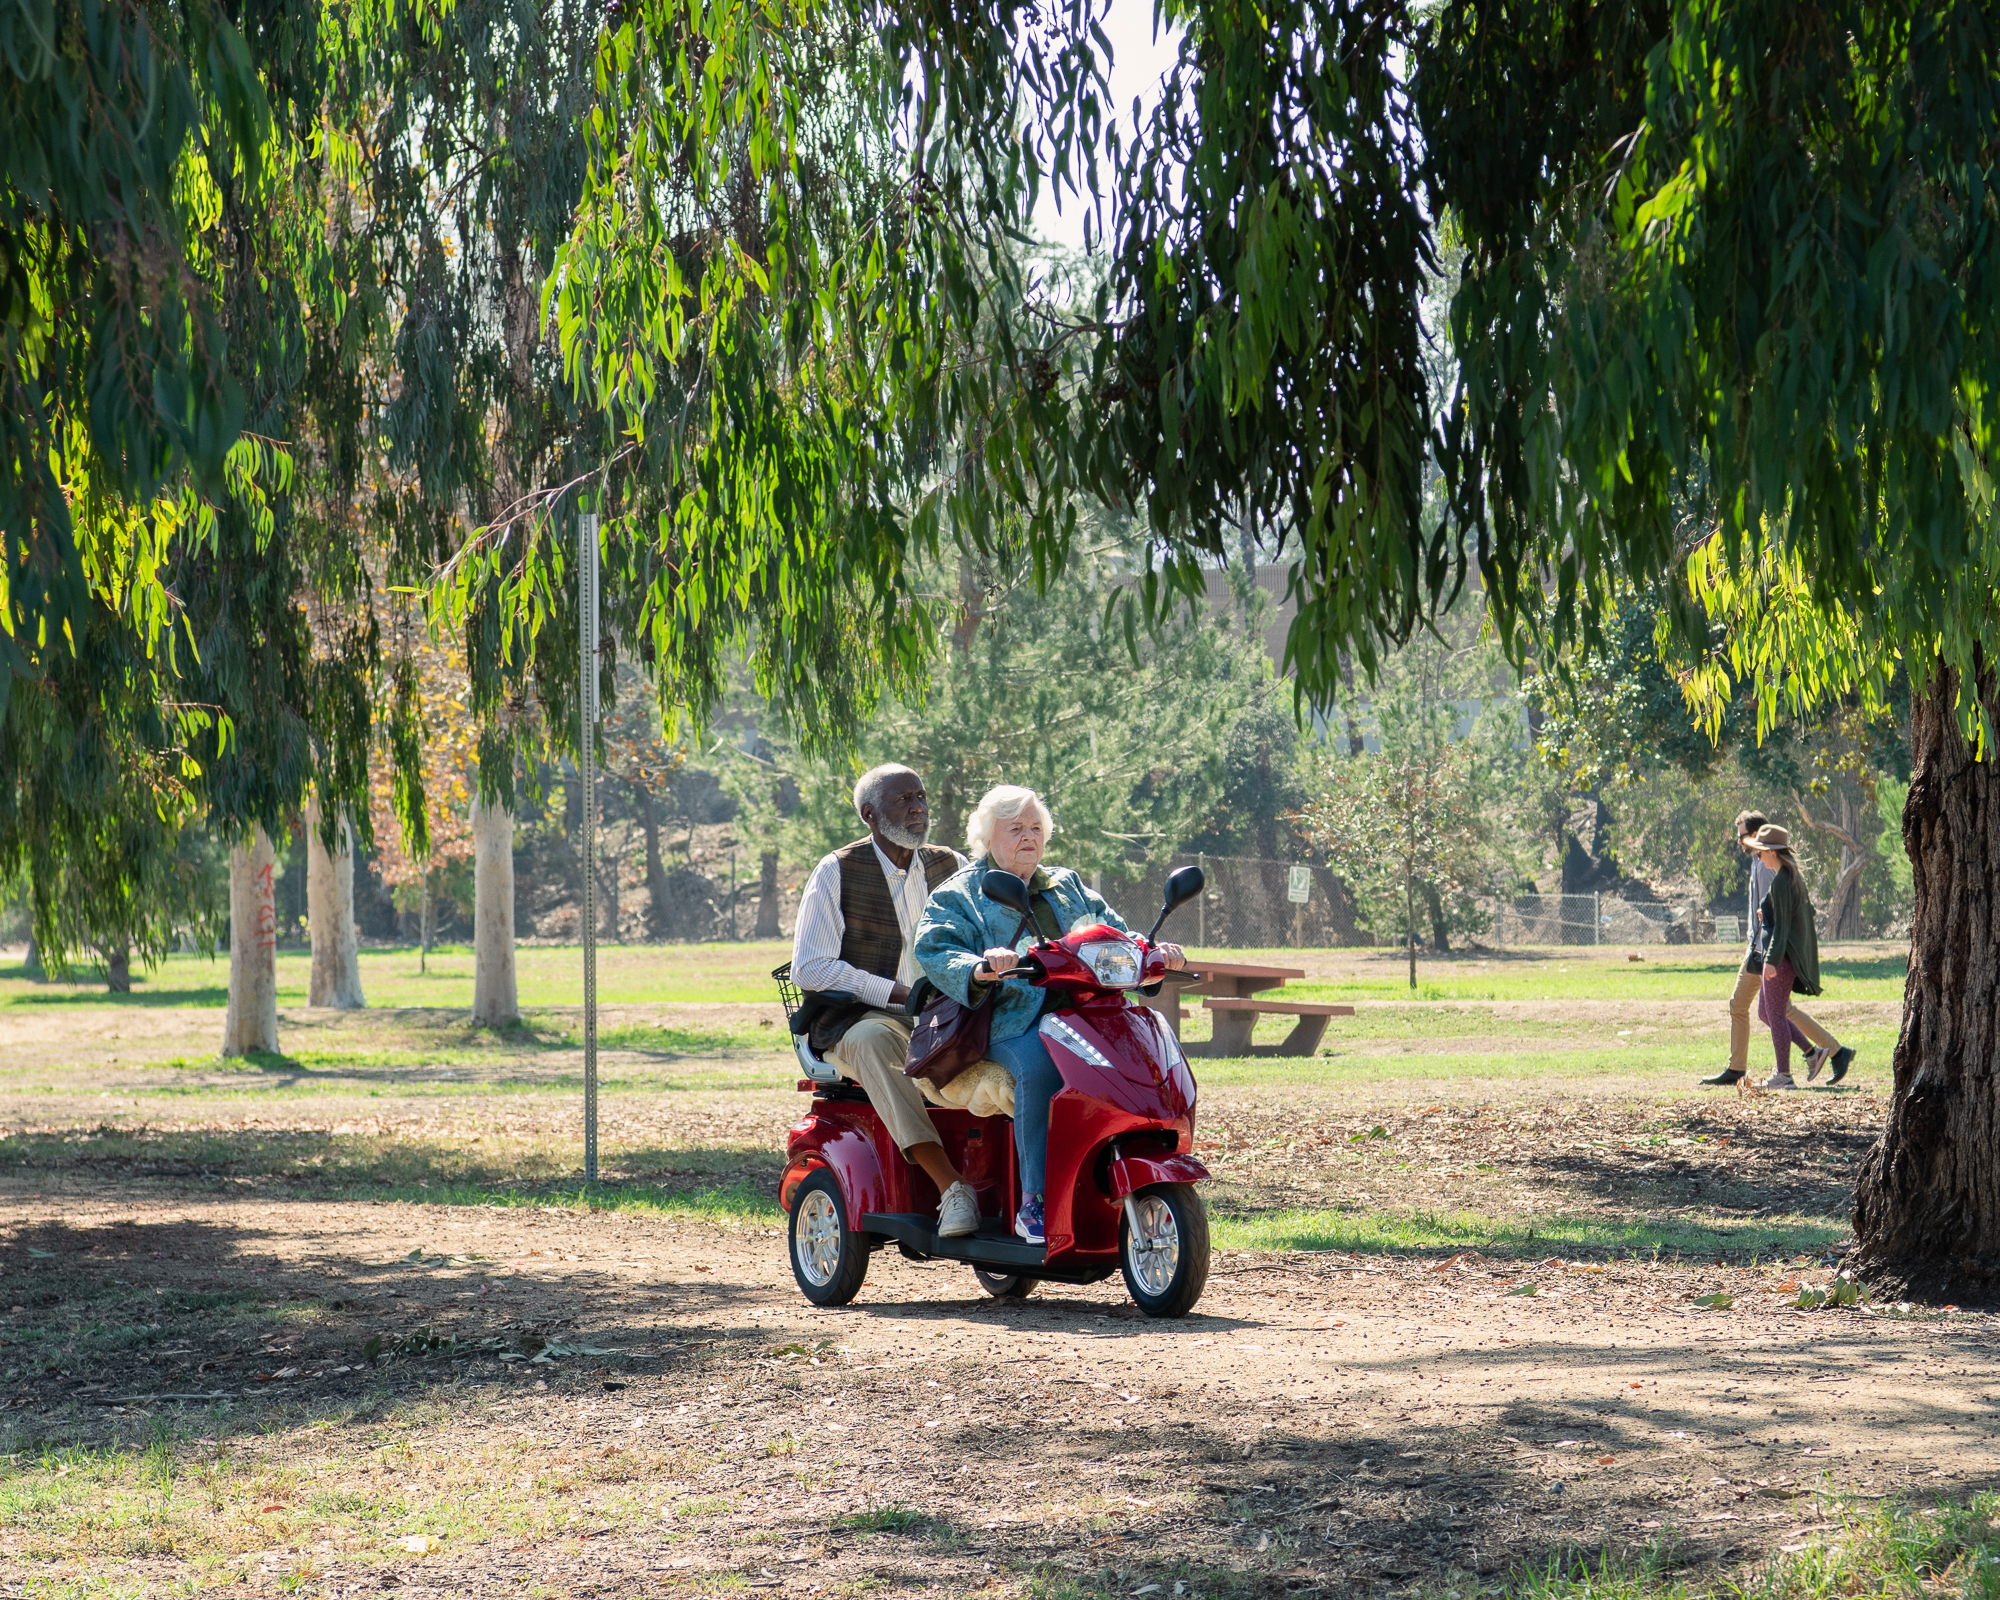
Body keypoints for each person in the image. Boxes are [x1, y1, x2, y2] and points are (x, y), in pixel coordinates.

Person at [913, 784, 1185, 1246]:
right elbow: (935, 948)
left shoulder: (1068, 884)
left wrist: (1153, 952)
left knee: (1147, 1051)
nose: (1028, 836)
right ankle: (1034, 1203)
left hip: (1091, 1015)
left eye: (1035, 827)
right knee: (1041, 1069)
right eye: (1015, 828)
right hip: (1009, 1018)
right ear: (987, 836)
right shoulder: (961, 893)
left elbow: (1114, 932)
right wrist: (981, 966)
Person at [791, 764, 981, 1237]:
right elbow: (809, 968)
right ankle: (952, 1188)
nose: (918, 807)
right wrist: (896, 993)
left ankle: (1026, 1191)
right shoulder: (837, 870)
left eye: (921, 797)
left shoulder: (952, 865)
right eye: (904, 800)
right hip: (860, 1018)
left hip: (945, 1012)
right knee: (876, 1041)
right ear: (869, 815)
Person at [1700, 809, 1854, 1087]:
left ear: (1761, 840)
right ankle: (1825, 1051)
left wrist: (1766, 951)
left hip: (1768, 951)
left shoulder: (1772, 871)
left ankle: (1789, 1068)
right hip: (1764, 948)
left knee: (1768, 1010)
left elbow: (1783, 920)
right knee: (1769, 1010)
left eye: (1744, 837)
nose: (1742, 844)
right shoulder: (1768, 867)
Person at [1747, 823, 1842, 1089]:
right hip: (1783, 956)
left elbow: (1784, 927)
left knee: (1775, 1015)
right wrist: (1766, 915)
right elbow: (1785, 918)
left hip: (1782, 959)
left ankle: (1784, 1076)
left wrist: (1771, 961)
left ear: (1773, 852)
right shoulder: (1788, 878)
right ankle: (1813, 1054)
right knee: (1766, 1013)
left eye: (1761, 852)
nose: (1758, 856)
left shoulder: (1781, 882)